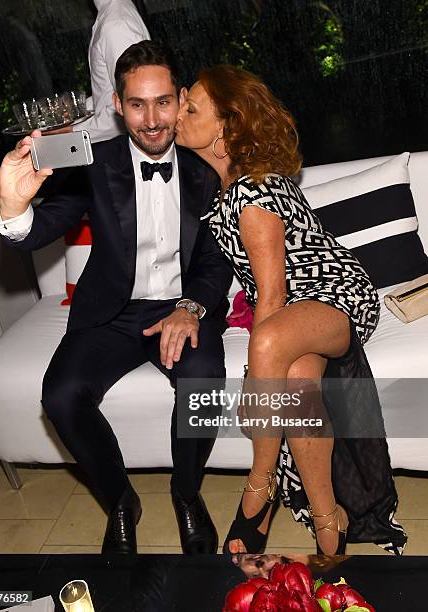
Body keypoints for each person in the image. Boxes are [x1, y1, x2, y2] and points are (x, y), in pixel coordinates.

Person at [0, 41, 233, 554]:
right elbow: (43, 227)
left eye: (163, 102)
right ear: (118, 106)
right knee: (59, 394)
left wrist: (190, 309)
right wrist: (13, 206)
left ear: (180, 98)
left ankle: (186, 496)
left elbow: (217, 261)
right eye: (138, 105)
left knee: (205, 378)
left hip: (179, 309)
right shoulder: (94, 166)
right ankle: (121, 501)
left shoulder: (205, 171)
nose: (151, 120)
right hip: (112, 314)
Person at [175, 64, 407, 555]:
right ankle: (330, 519)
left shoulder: (250, 191)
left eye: (191, 107)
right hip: (297, 312)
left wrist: (254, 381)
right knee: (298, 382)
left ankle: (259, 488)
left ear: (227, 126)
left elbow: (273, 297)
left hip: (336, 295)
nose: (178, 113)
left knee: (267, 344)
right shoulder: (232, 185)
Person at [72, 0, 150, 142]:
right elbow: (107, 95)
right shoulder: (113, 12)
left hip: (121, 147)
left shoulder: (115, 24)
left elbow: (131, 111)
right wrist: (74, 111)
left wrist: (69, 133)